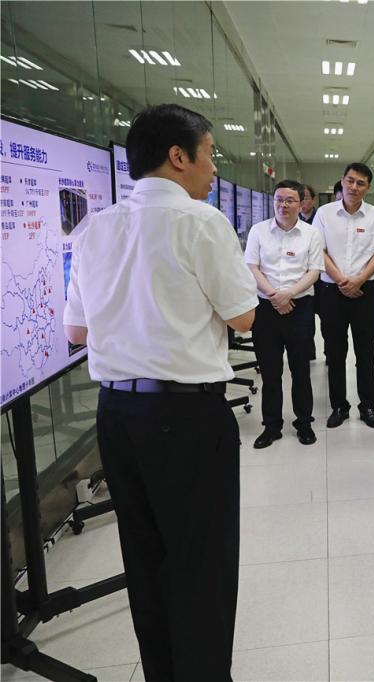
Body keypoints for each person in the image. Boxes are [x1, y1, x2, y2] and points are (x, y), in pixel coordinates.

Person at [63, 103, 257, 679]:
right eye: (210, 153)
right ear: (179, 156)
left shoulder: (95, 227)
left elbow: (76, 332)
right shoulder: (201, 223)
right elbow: (243, 316)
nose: (214, 168)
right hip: (187, 417)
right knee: (201, 564)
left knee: (144, 558)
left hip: (117, 415)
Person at [245, 179, 324, 449]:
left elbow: (314, 271)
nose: (283, 205)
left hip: (299, 308)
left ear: (301, 204)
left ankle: (304, 423)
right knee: (270, 372)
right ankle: (271, 426)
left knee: (301, 370)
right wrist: (274, 296)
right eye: (279, 199)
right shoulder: (258, 231)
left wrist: (288, 294)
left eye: (290, 200)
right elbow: (252, 267)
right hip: (265, 308)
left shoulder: (311, 234)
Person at [314, 162, 374, 429]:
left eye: (360, 183)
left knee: (365, 352)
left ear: (368, 188)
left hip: (364, 291)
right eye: (350, 181)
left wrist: (358, 280)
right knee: (335, 353)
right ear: (342, 180)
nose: (354, 187)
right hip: (331, 291)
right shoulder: (324, 213)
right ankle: (339, 406)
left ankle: (368, 406)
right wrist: (341, 280)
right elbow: (319, 250)